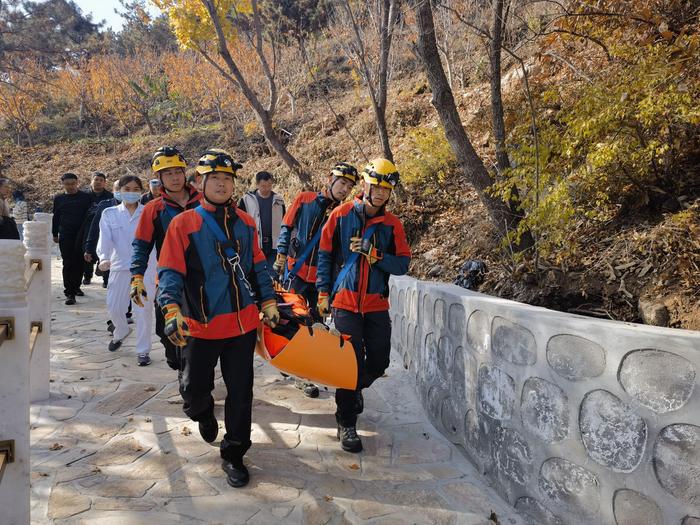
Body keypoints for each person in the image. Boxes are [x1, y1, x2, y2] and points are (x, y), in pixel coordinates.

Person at [157, 149, 279, 488]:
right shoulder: (184, 223)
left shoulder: (245, 222)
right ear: (201, 182)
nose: (222, 184)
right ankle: (203, 412)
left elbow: (257, 265)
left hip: (241, 325)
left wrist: (267, 301)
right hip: (200, 324)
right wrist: (170, 308)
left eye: (227, 179)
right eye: (215, 179)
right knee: (193, 389)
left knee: (241, 392)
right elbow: (169, 271)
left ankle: (235, 453)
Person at [316, 158, 411, 453]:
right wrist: (322, 293)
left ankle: (355, 388)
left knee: (380, 361)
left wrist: (375, 254)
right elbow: (325, 255)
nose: (381, 192)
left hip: (375, 304)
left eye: (386, 188)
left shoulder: (392, 224)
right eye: (376, 185)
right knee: (349, 363)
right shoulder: (341, 215)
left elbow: (403, 264)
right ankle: (347, 421)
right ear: (366, 185)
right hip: (344, 303)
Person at [273, 162, 359, 398]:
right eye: (342, 183)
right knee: (294, 322)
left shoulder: (345, 214)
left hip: (322, 280)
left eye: (349, 186)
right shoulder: (304, 199)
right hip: (296, 272)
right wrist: (281, 254)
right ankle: (293, 368)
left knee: (316, 326)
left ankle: (306, 372)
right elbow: (286, 226)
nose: (344, 189)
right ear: (329, 178)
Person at [131, 146, 201, 370]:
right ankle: (180, 364)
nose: (175, 177)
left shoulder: (204, 203)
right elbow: (141, 246)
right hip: (170, 279)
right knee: (166, 330)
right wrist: (137, 276)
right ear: (159, 178)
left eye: (178, 172)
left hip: (203, 279)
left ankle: (191, 376)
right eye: (168, 173)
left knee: (199, 336)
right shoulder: (154, 209)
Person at [97, 176, 156, 365]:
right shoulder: (109, 213)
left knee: (143, 310)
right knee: (114, 308)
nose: (131, 192)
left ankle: (143, 350)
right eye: (127, 188)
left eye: (135, 189)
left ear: (141, 191)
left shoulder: (149, 212)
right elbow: (104, 238)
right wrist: (103, 258)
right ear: (119, 190)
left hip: (146, 268)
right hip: (118, 266)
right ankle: (121, 330)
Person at [52, 173, 93, 305]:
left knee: (80, 262)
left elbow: (91, 217)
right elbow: (56, 217)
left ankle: (76, 287)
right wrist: (55, 233)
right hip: (66, 235)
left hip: (81, 235)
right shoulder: (59, 199)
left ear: (77, 183)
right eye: (67, 184)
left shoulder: (86, 198)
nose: (70, 186)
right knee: (68, 263)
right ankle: (69, 292)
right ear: (63, 184)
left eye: (72, 183)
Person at [238, 171, 285, 275]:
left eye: (269, 185)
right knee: (257, 274)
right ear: (258, 184)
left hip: (274, 244)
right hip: (255, 244)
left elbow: (285, 222)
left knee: (273, 275)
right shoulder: (247, 200)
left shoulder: (278, 200)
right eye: (263, 186)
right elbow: (239, 222)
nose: (267, 188)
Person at [85, 181, 121, 289]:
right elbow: (95, 227)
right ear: (113, 190)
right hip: (109, 248)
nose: (120, 192)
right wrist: (88, 248)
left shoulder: (139, 208)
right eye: (117, 189)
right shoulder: (106, 206)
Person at [81, 172, 114, 285]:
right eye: (96, 179)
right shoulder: (85, 196)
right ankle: (87, 275)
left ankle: (105, 278)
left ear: (105, 183)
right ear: (91, 181)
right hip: (88, 227)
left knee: (105, 250)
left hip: (104, 227)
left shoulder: (110, 197)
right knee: (87, 250)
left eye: (101, 180)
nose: (98, 182)